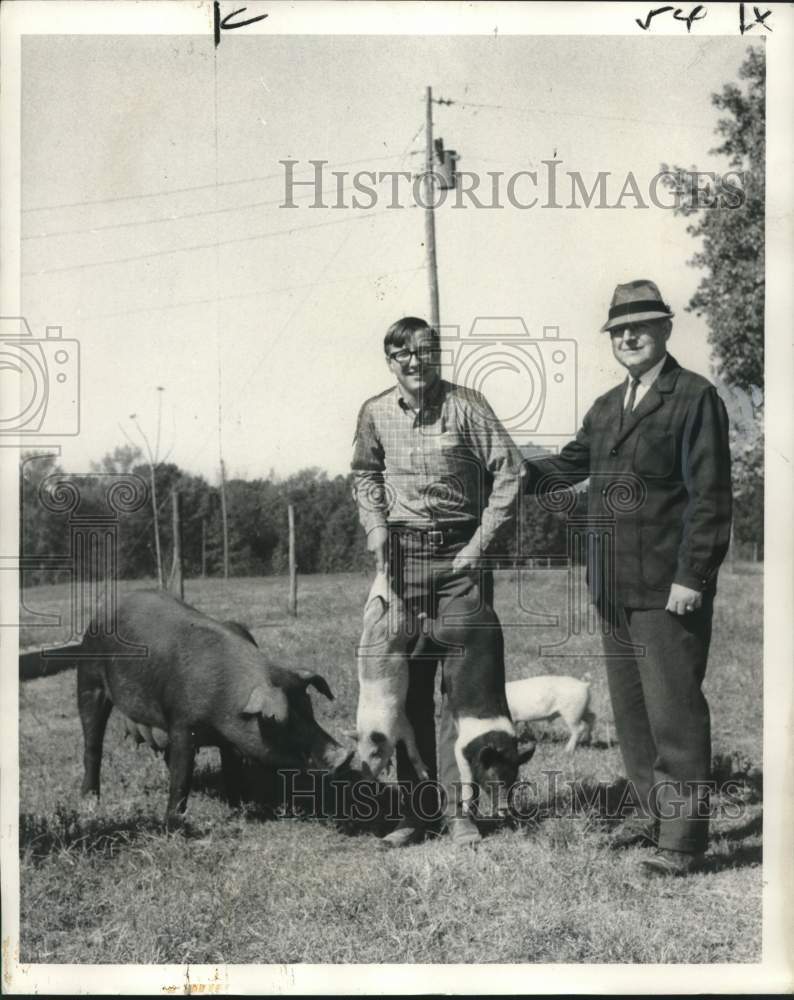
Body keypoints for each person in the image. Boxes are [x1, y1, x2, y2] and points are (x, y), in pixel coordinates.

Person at [523, 279, 732, 876]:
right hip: (613, 586)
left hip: (669, 589)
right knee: (634, 715)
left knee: (675, 713)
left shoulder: (694, 397)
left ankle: (684, 840)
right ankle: (650, 813)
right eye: (619, 329)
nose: (629, 336)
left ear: (666, 329)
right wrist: (501, 461)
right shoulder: (608, 406)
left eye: (641, 325)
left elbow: (711, 498)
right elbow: (565, 466)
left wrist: (693, 575)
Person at [351, 316, 525, 847]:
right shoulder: (375, 412)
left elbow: (511, 471)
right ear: (390, 361)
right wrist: (377, 525)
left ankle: (460, 813)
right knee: (401, 693)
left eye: (424, 351)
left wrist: (478, 546)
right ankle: (414, 812)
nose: (413, 362)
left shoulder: (467, 406)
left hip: (458, 561)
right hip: (401, 563)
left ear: (437, 356)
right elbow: (364, 473)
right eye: (401, 354)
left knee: (463, 691)